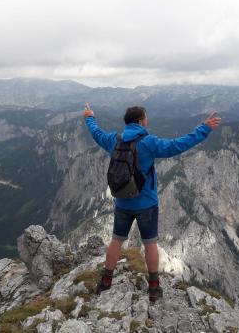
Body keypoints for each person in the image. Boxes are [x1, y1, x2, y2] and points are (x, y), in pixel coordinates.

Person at [83, 103, 220, 302]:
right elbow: (177, 145)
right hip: (146, 203)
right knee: (150, 244)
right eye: (145, 118)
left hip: (122, 202)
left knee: (117, 240)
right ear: (140, 121)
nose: (147, 121)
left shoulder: (114, 140)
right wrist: (204, 128)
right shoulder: (148, 142)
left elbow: (96, 133)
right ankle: (154, 287)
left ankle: (106, 281)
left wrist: (89, 116)